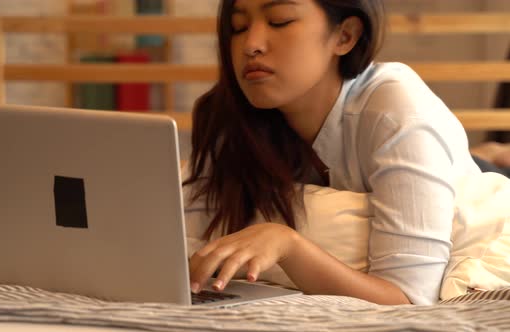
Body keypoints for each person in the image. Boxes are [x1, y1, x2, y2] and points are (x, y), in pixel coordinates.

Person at [182, 0, 482, 305]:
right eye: (238, 27)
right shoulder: (224, 116)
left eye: (279, 21)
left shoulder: (394, 110)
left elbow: (409, 299)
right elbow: (190, 243)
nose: (251, 45)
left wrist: (288, 244)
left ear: (345, 36)